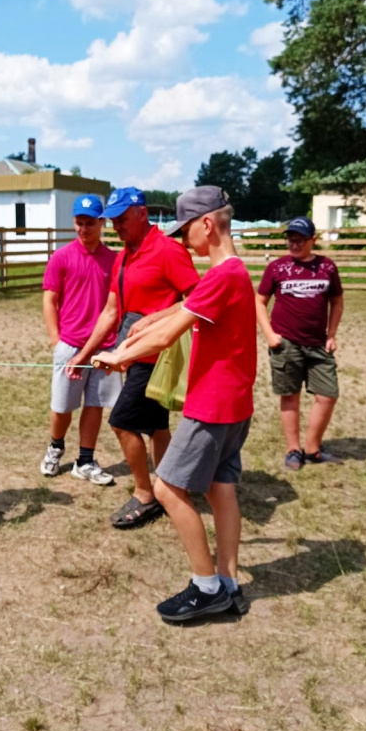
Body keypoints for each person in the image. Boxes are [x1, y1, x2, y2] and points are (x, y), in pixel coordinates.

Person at [92, 187, 256, 622]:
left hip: (213, 405)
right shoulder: (233, 272)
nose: (184, 241)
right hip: (237, 403)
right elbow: (186, 307)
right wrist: (154, 316)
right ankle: (229, 582)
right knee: (221, 489)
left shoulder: (223, 275)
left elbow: (168, 338)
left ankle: (206, 588)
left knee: (166, 488)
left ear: (207, 224)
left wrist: (117, 356)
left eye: (186, 231)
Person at [68, 187, 199, 528]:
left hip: (157, 356)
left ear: (142, 213)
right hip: (134, 353)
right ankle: (173, 485)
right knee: (156, 425)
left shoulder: (168, 251)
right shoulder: (125, 255)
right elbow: (111, 311)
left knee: (122, 421)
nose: (116, 226)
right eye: (112, 221)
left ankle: (146, 495)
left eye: (123, 219)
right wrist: (84, 353)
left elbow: (198, 299)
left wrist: (154, 320)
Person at [40, 194, 122, 485]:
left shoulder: (114, 260)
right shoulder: (61, 257)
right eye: (78, 223)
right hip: (70, 345)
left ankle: (85, 459)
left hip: (104, 346)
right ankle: (56, 445)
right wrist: (57, 341)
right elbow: (50, 300)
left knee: (95, 404)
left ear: (102, 223)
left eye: (89, 223)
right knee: (62, 406)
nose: (83, 229)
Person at [255, 215, 344, 471]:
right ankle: (293, 449)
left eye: (300, 240)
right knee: (290, 396)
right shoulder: (277, 268)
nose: (294, 245)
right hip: (286, 343)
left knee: (327, 395)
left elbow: (337, 302)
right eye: (291, 240)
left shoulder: (327, 267)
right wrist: (270, 335)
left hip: (318, 344)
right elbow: (259, 302)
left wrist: (332, 333)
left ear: (312, 240)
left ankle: (313, 449)